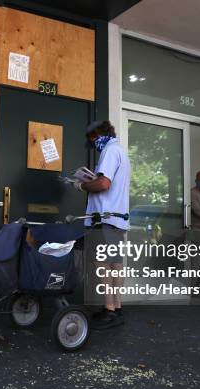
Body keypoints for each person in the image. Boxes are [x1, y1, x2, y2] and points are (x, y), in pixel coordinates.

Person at [72, 120, 130, 330]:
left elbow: (104, 184)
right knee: (115, 264)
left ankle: (109, 310)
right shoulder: (119, 150)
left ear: (99, 135)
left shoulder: (110, 151)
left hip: (105, 218)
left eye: (93, 138)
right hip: (116, 218)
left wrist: (81, 185)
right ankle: (116, 308)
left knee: (103, 265)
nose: (93, 143)